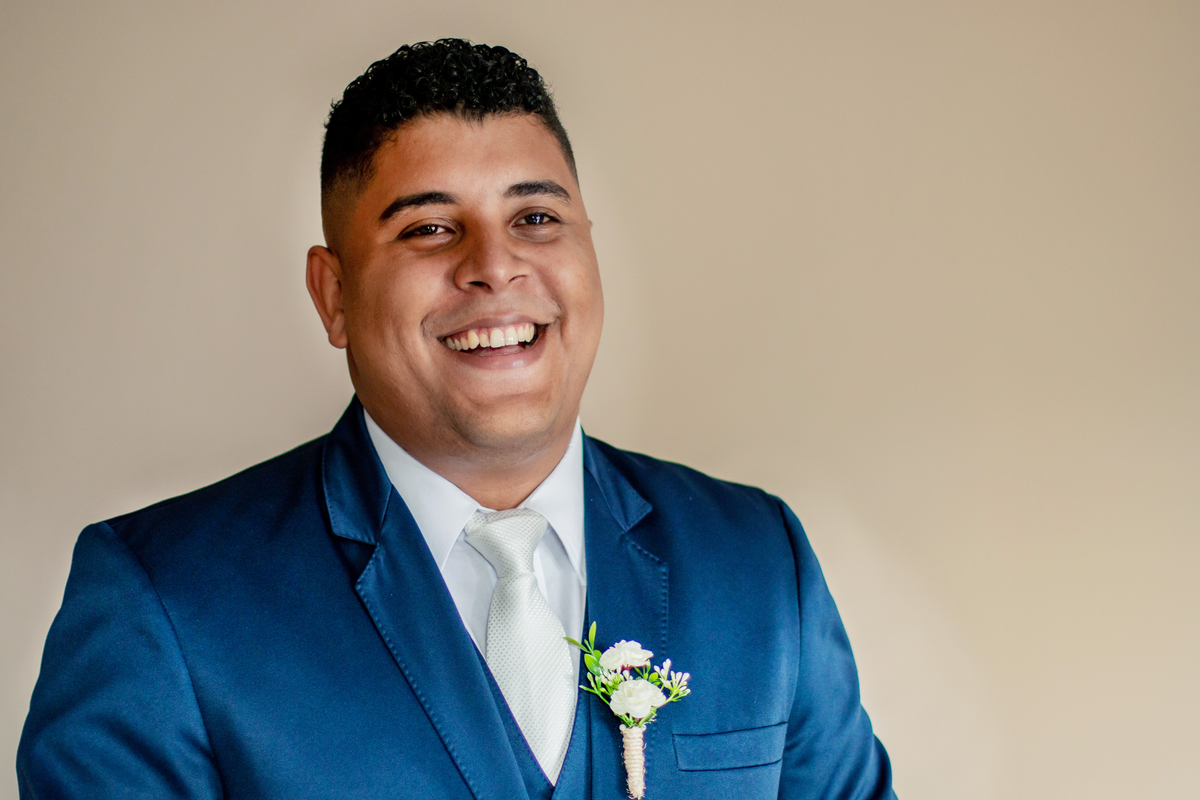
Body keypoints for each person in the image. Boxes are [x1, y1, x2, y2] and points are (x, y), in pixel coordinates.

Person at [17, 39, 896, 799]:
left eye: (537, 217)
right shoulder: (160, 602)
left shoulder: (758, 562)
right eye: (431, 229)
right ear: (334, 297)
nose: (495, 266)